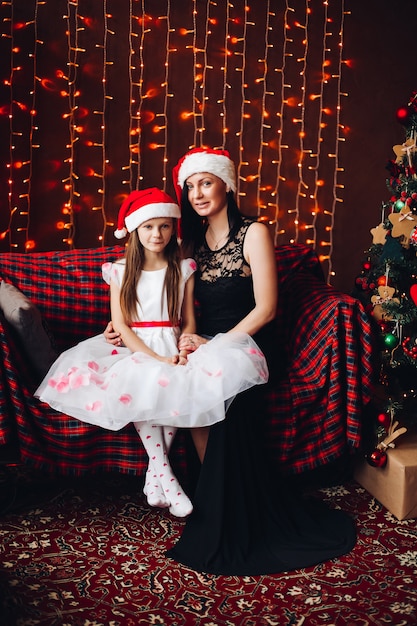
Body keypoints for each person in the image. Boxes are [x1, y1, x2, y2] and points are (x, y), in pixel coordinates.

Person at [105, 149, 357, 576]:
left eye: (207, 182)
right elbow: (159, 295)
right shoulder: (190, 244)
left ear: (227, 184)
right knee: (189, 390)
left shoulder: (254, 232)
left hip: (248, 343)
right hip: (202, 344)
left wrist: (212, 344)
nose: (198, 193)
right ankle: (217, 503)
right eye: (190, 185)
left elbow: (268, 308)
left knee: (212, 395)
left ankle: (232, 512)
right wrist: (128, 328)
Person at [35, 187, 268, 519]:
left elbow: (188, 321)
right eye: (148, 226)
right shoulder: (118, 271)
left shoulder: (183, 268)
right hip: (136, 347)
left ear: (173, 229)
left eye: (164, 226)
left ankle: (153, 477)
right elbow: (122, 325)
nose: (157, 234)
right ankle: (167, 478)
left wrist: (185, 341)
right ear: (134, 230)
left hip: (170, 343)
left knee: (175, 386)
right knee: (141, 380)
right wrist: (153, 358)